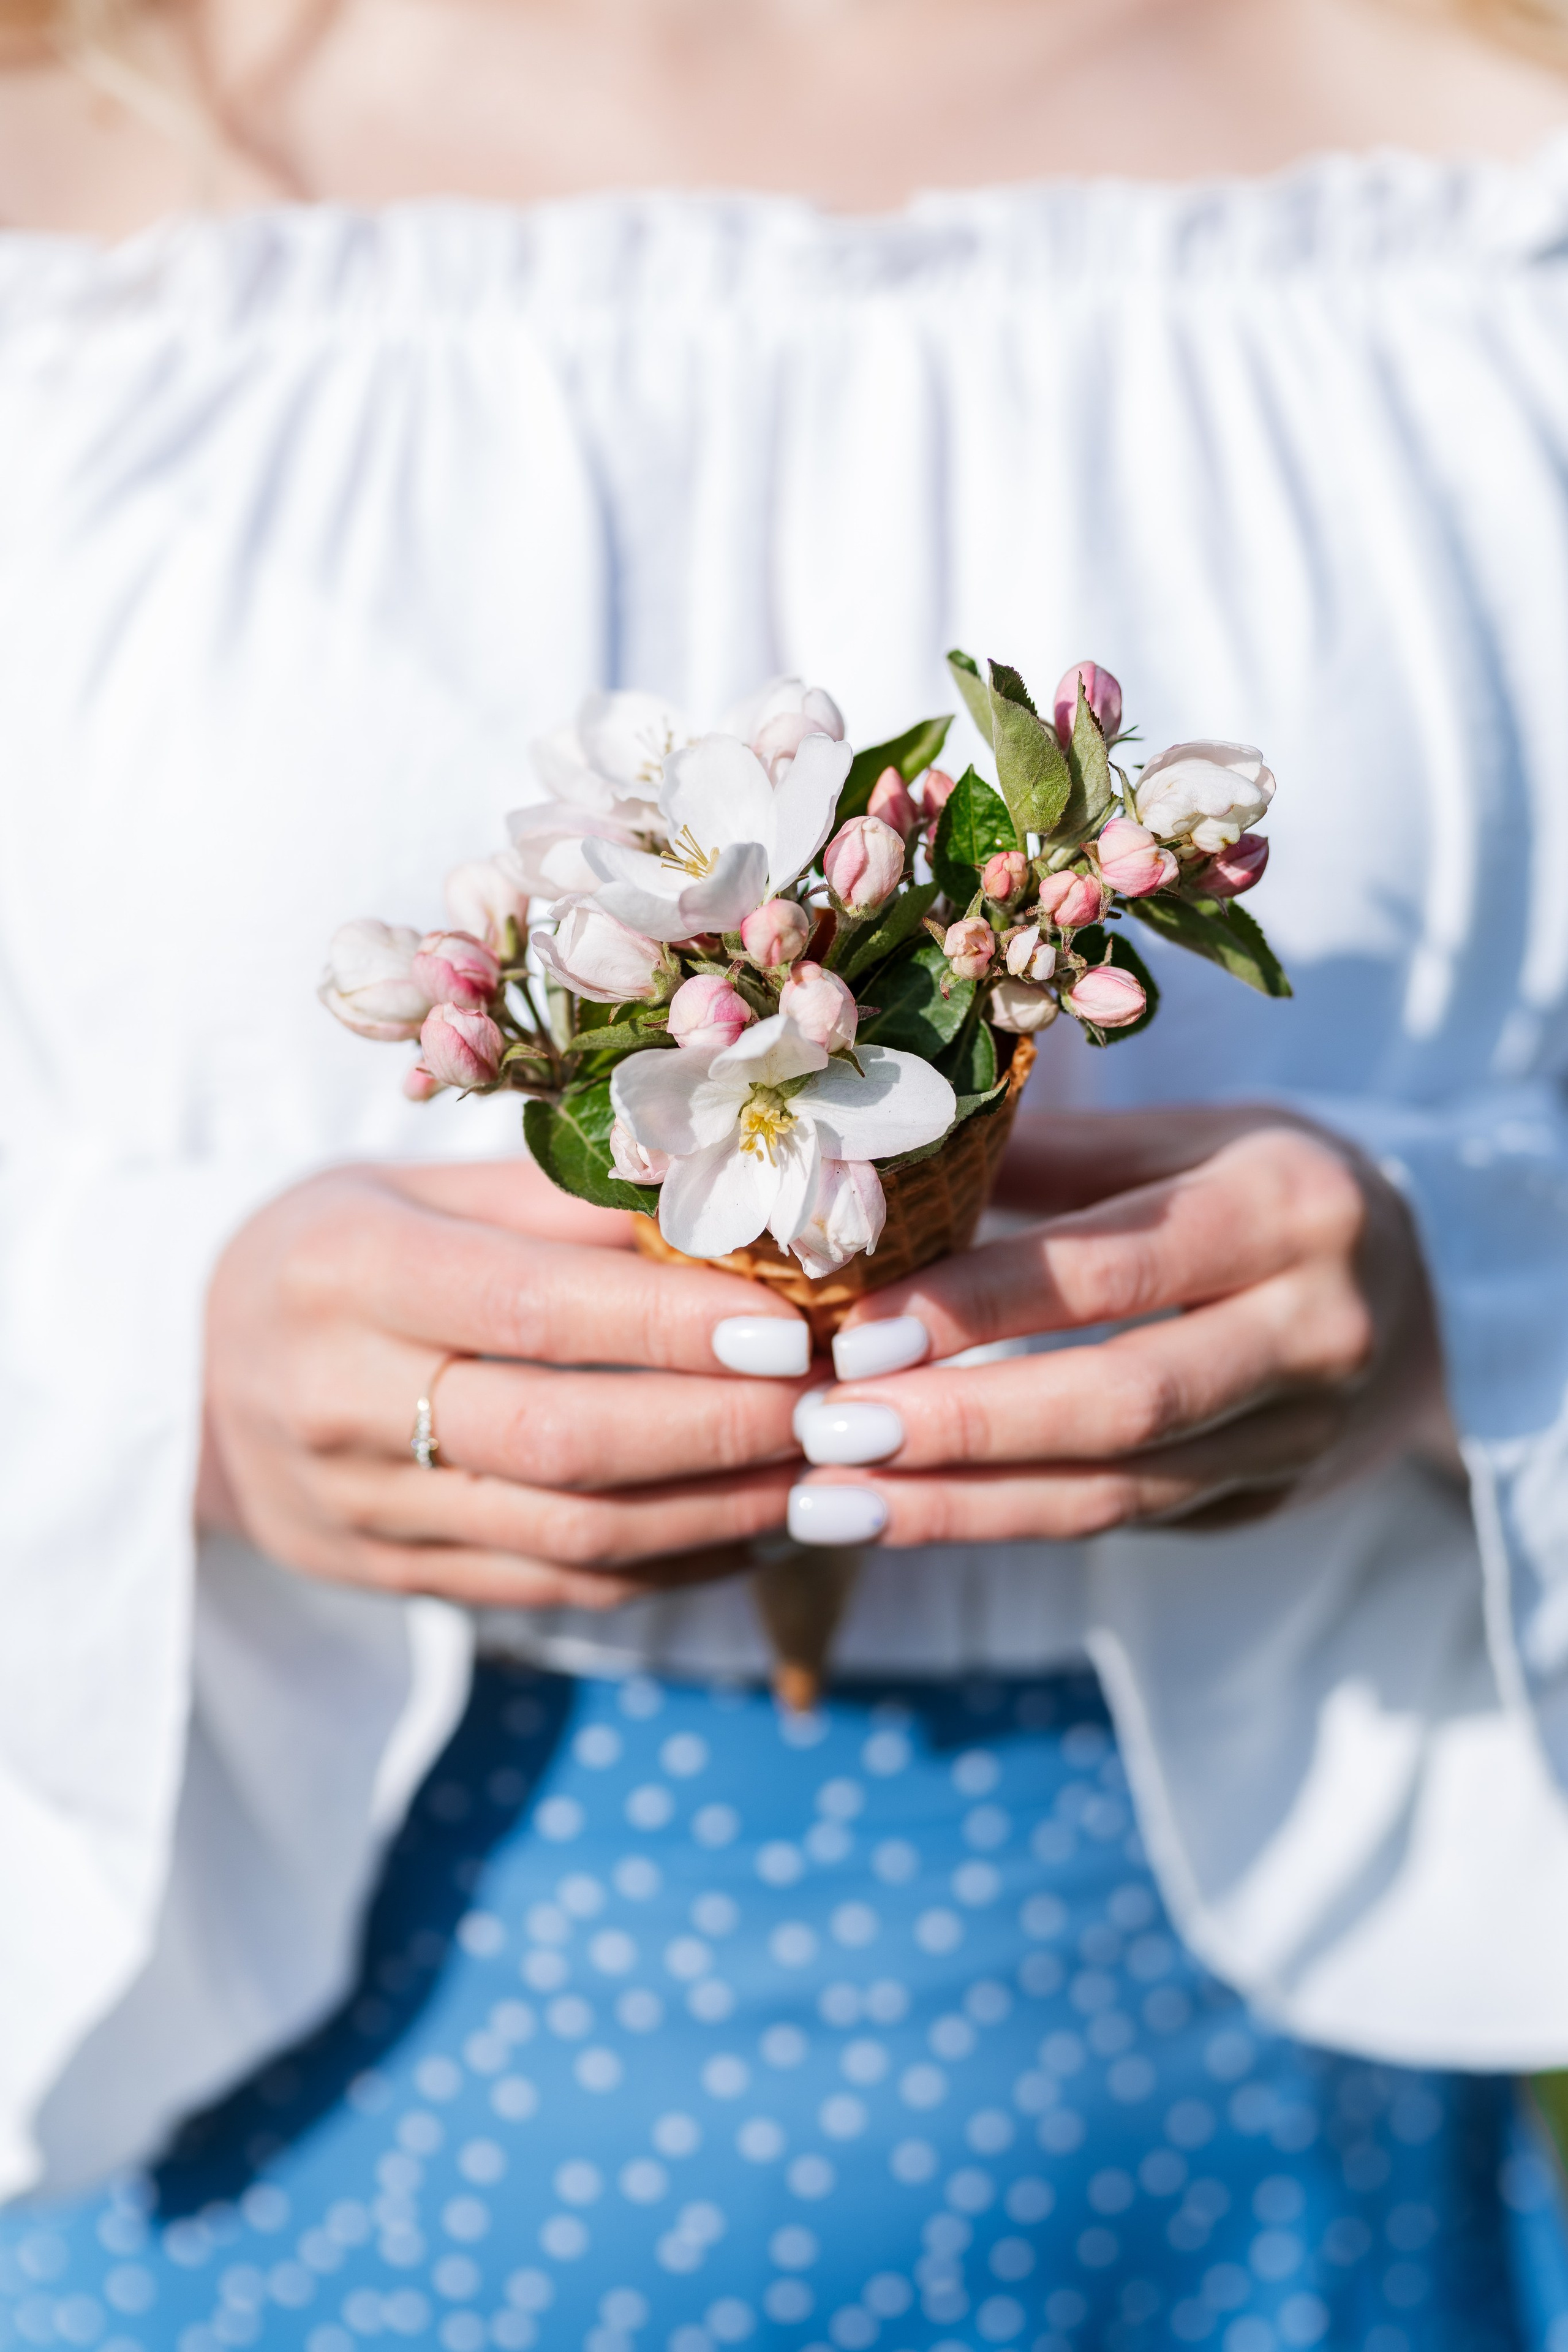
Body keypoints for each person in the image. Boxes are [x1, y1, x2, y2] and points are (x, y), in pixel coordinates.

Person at [6, 0, 1568, 2344]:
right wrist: (165, 1378)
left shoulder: (1490, 191)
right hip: (269, 2148)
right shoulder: (83, 220)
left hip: (1272, 2151)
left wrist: (1471, 1302)